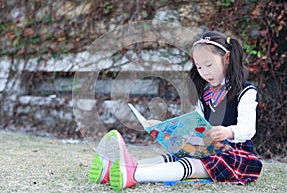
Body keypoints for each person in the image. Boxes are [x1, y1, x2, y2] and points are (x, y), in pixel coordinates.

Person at [88, 31, 263, 191]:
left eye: (209, 65)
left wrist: (228, 131)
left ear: (227, 58)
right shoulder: (204, 93)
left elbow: (248, 129)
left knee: (192, 163)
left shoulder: (245, 92)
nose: (204, 72)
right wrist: (166, 128)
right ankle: (118, 169)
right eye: (199, 67)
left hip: (234, 154)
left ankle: (134, 175)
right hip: (206, 147)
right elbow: (197, 124)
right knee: (173, 156)